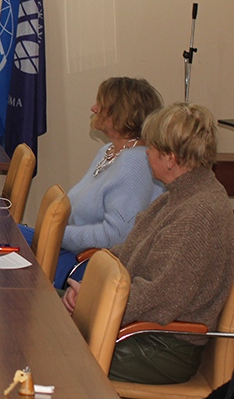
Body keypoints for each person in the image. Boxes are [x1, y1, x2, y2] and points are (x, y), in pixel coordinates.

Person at [63, 103, 234, 384]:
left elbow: (159, 297)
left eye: (151, 147)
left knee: (53, 344)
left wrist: (90, 301)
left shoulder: (198, 214)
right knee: (42, 309)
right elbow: (127, 251)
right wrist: (87, 288)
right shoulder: (178, 195)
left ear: (170, 159)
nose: (146, 153)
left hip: (161, 346)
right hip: (140, 327)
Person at [20, 77, 165, 288]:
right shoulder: (108, 152)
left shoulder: (135, 162)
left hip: (90, 265)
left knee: (2, 235)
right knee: (1, 231)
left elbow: (118, 236)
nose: (94, 108)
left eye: (102, 104)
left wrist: (55, 234)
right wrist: (53, 233)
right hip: (68, 250)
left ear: (122, 113)